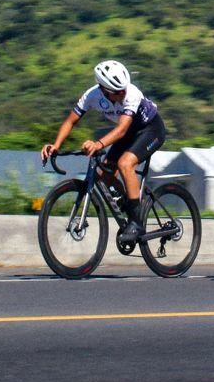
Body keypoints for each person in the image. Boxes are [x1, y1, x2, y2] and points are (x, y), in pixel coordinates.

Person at [40, 60, 165, 246]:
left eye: (124, 89)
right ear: (104, 90)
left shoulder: (132, 94)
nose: (123, 94)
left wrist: (98, 144)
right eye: (118, 92)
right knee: (103, 176)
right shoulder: (91, 96)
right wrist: (56, 145)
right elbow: (70, 121)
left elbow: (122, 130)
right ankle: (130, 207)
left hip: (151, 130)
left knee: (125, 164)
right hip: (130, 133)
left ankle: (137, 222)